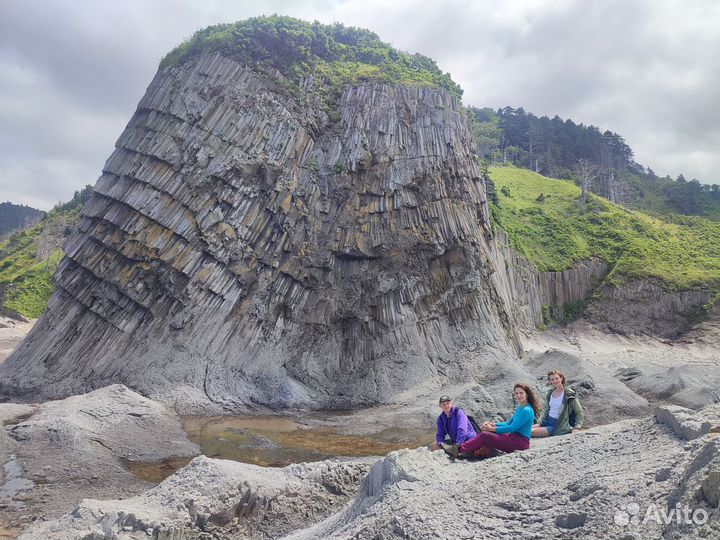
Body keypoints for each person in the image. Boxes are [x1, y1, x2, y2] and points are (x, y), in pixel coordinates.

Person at [441, 383, 540, 459]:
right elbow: (508, 423)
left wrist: (492, 429)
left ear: (527, 394)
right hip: (514, 438)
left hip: (520, 443)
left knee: (484, 435)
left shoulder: (526, 410)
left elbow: (512, 427)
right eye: (516, 393)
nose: (518, 396)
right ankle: (480, 452)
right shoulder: (521, 407)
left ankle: (457, 450)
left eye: (521, 393)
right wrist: (493, 424)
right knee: (485, 433)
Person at [532, 370, 584, 437]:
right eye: (552, 379)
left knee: (530, 432)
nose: (555, 381)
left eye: (557, 378)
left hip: (558, 425)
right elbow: (546, 410)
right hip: (546, 421)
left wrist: (577, 427)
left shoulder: (569, 394)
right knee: (526, 429)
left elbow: (579, 411)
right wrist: (539, 423)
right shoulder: (550, 393)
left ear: (561, 378)